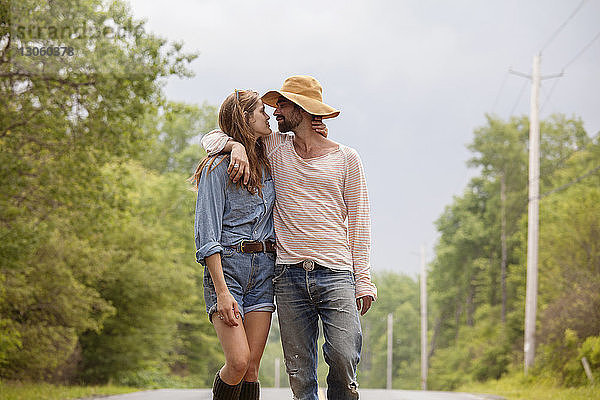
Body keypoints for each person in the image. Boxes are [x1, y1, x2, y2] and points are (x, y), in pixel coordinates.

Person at [201, 76, 377, 400]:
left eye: (282, 104)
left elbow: (360, 223)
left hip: (336, 272)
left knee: (343, 356)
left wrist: (363, 279)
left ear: (303, 109)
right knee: (298, 374)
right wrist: (235, 145)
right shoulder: (274, 147)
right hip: (286, 273)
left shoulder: (347, 158)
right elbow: (215, 137)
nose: (274, 110)